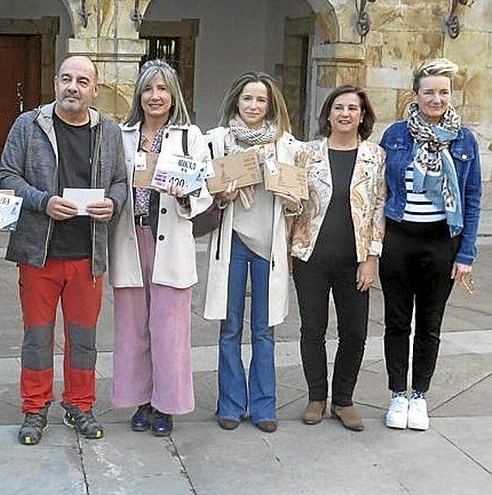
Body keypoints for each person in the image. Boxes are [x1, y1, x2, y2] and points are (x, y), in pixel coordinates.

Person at [0, 55, 128, 445]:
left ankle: (80, 405)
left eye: (82, 81)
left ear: (95, 90)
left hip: (88, 255)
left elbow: (121, 181)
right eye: (67, 79)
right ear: (56, 83)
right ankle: (35, 407)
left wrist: (114, 203)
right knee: (37, 336)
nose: (73, 87)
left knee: (83, 337)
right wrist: (42, 201)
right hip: (40, 253)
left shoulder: (108, 131)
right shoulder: (29, 125)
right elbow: (7, 174)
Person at [109, 60, 212, 436]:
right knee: (133, 327)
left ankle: (166, 405)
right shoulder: (121, 135)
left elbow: (206, 189)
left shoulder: (191, 137)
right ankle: (141, 400)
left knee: (169, 328)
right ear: (139, 94)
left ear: (173, 95)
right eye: (149, 89)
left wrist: (187, 193)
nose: (155, 96)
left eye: (163, 89)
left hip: (170, 240)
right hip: (131, 239)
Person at [379, 58, 482, 431]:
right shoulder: (394, 135)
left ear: (450, 95)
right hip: (400, 238)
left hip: (442, 242)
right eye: (429, 92)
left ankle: (419, 395)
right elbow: (380, 190)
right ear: (416, 95)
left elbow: (472, 199)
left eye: (443, 92)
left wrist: (466, 254)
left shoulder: (465, 139)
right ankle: (397, 395)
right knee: (396, 322)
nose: (437, 99)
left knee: (430, 325)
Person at [203, 72, 302, 433]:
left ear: (270, 104)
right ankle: (230, 403)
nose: (254, 106)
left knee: (264, 329)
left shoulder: (286, 145)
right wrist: (222, 194)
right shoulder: (218, 142)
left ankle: (264, 406)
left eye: (260, 100)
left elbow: (298, 201)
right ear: (236, 101)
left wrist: (292, 202)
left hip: (268, 246)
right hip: (234, 243)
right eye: (248, 99)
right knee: (229, 328)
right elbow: (203, 189)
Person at [290, 85, 386, 431]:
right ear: (328, 114)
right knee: (312, 329)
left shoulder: (375, 156)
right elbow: (294, 202)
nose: (345, 114)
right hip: (310, 256)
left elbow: (377, 208)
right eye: (339, 107)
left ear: (363, 116)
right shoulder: (307, 153)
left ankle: (343, 399)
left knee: (355, 332)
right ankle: (317, 397)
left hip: (354, 258)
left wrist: (371, 257)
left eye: (353, 108)